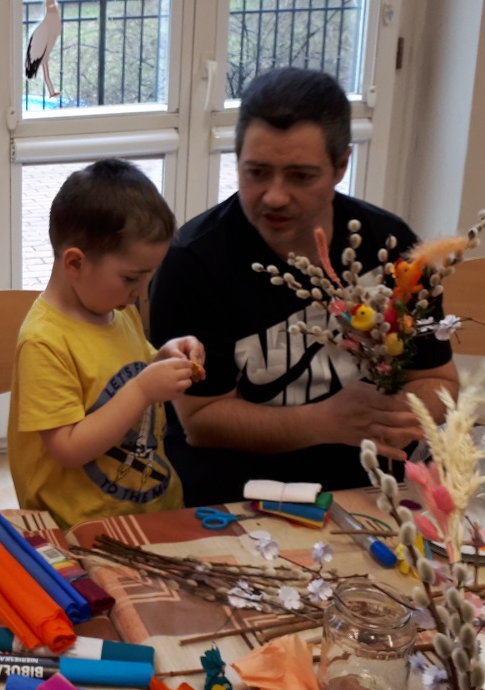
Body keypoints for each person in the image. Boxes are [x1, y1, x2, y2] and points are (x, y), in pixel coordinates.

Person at [149, 67, 460, 506]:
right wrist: (328, 421)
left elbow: (437, 379)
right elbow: (200, 420)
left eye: (300, 176)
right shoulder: (193, 262)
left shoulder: (392, 247)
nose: (275, 196)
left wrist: (397, 414)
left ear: (341, 165)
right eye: (257, 172)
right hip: (238, 495)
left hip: (373, 487)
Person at [8, 159, 205, 530]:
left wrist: (165, 357)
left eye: (149, 277)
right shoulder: (43, 341)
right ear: (75, 263)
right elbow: (68, 448)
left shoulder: (115, 309)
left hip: (152, 509)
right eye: (131, 278)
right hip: (83, 529)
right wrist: (144, 390)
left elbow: (130, 370)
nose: (141, 292)